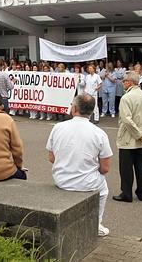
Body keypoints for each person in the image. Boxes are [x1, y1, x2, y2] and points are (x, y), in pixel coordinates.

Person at [46, 93, 112, 236]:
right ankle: (96, 224)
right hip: (87, 182)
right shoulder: (99, 133)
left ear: (74, 108)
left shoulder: (58, 127)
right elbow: (105, 168)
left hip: (61, 179)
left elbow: (51, 158)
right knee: (104, 190)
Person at [113, 72, 142, 203]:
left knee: (126, 168)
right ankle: (141, 191)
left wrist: (138, 134)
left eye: (124, 81)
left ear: (129, 82)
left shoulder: (126, 98)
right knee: (141, 167)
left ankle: (126, 193)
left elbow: (127, 120)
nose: (123, 83)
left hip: (128, 139)